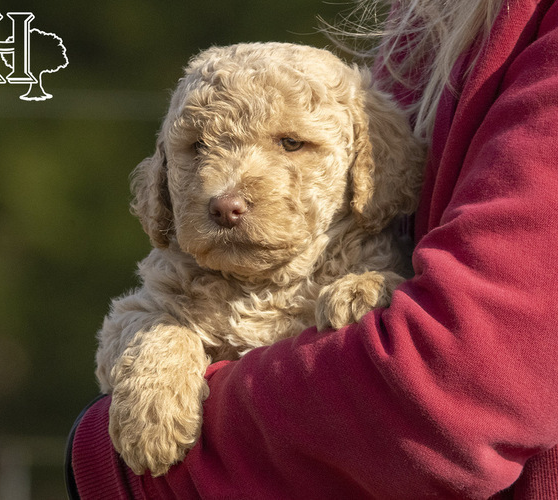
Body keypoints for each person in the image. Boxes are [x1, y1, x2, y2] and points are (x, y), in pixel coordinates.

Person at [65, 0, 558, 497]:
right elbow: (127, 324)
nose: (227, 195)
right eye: (198, 148)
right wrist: (159, 348)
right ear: (163, 175)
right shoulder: (178, 278)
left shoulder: (373, 266)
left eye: (291, 144)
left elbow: (461, 368)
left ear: (368, 162)